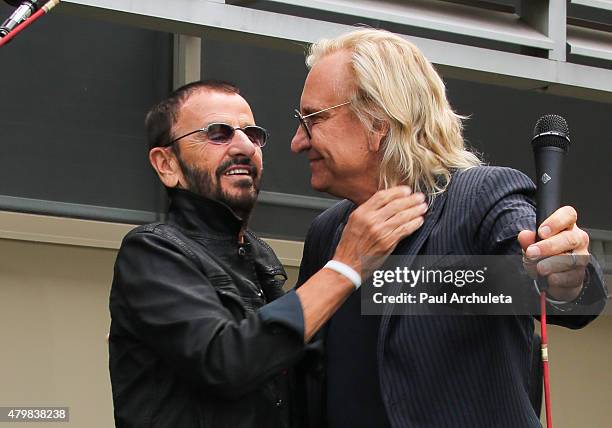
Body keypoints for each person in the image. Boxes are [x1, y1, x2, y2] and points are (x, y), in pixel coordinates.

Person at [290, 29, 607, 428]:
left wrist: (569, 273)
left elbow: (563, 293)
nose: (297, 142)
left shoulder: (479, 197)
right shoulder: (327, 232)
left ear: (378, 121)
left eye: (313, 119)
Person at [108, 80, 428, 428]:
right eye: (218, 133)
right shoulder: (151, 251)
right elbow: (226, 362)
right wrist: (346, 265)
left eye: (253, 134)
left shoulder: (260, 256)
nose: (244, 146)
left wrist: (478, 287)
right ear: (166, 164)